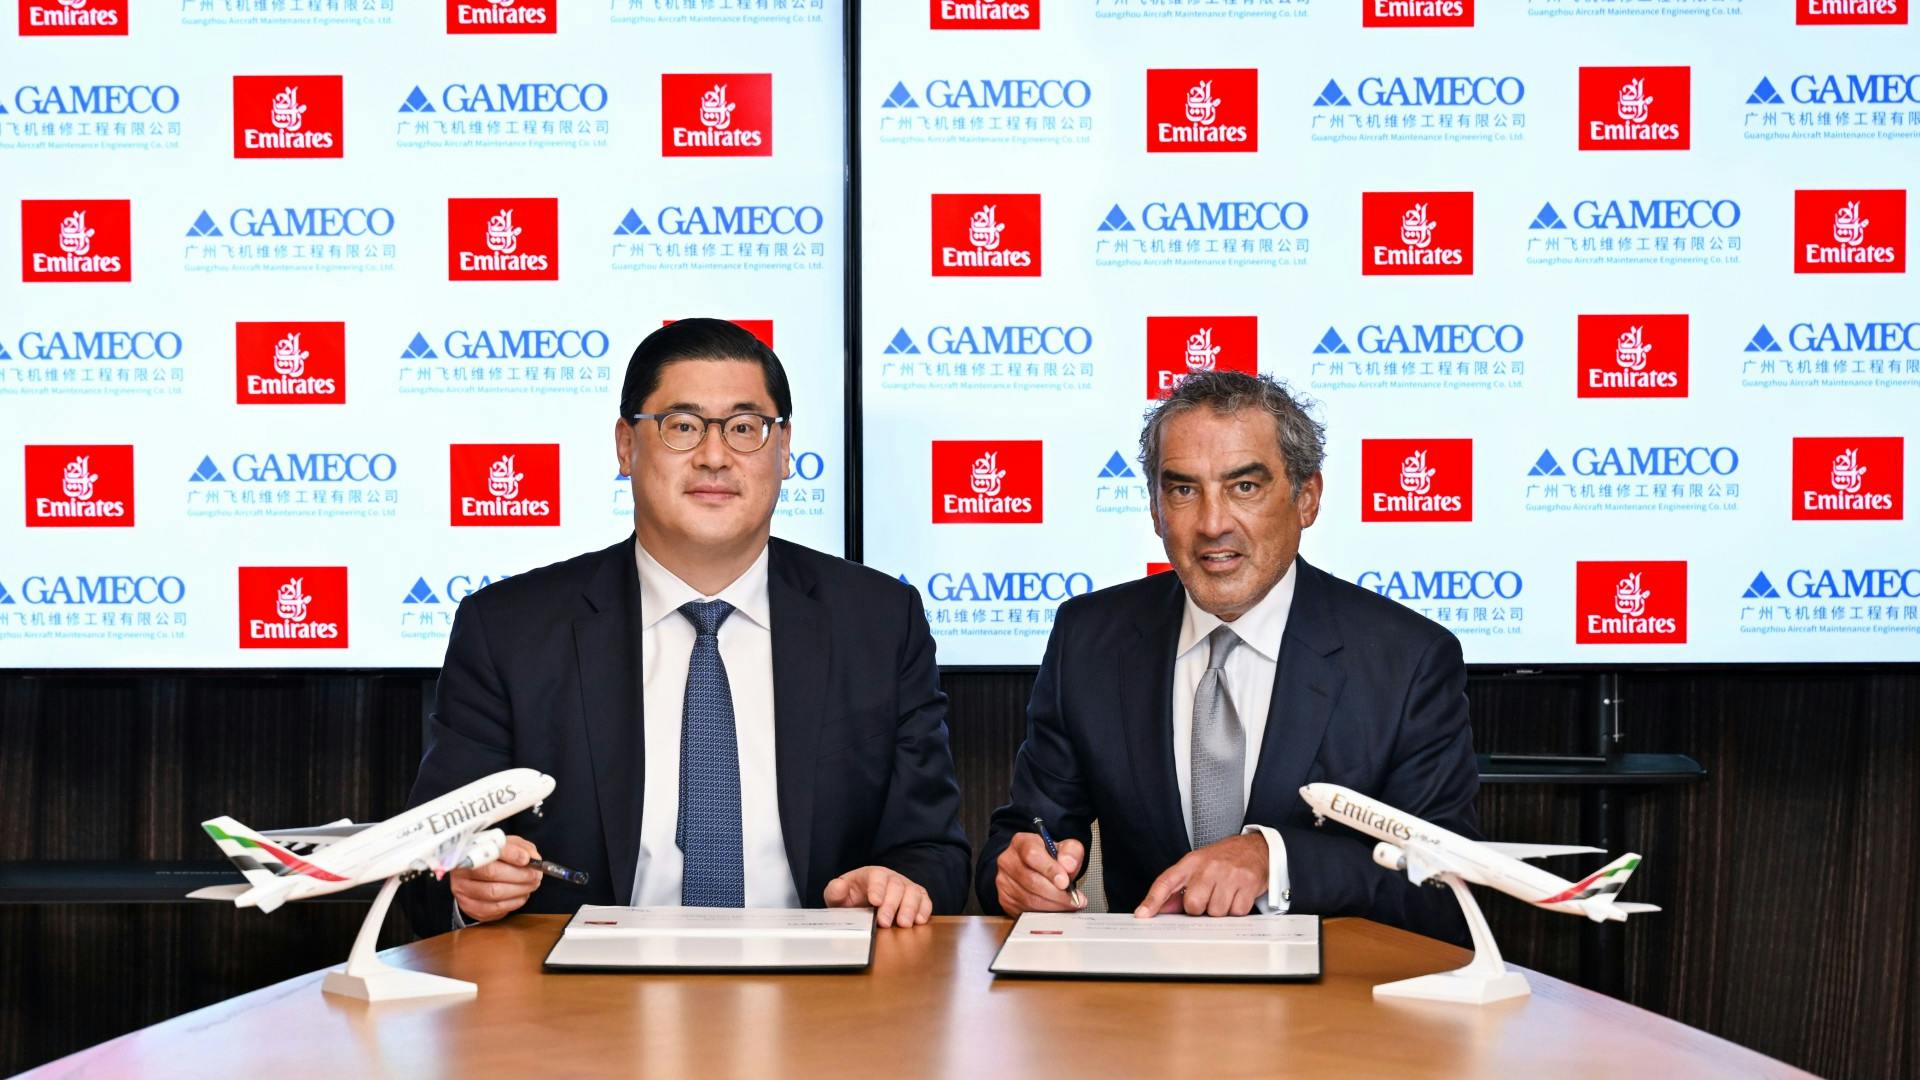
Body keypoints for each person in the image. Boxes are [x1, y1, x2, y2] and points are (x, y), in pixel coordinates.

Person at [403, 319, 969, 935]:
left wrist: (899, 887)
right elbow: (426, 863)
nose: (715, 456)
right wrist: (469, 884)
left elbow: (935, 852)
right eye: (682, 426)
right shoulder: (509, 631)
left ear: (784, 451)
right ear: (626, 446)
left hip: (820, 995)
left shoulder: (880, 623)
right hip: (583, 1002)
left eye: (746, 428)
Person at [976, 370, 1478, 941]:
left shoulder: (1406, 661)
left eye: (1244, 487)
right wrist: (1017, 874)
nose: (1213, 525)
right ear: (1156, 510)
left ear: (1306, 497)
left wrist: (1276, 860)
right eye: (1184, 490)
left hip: (1331, 1009)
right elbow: (1027, 831)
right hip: (1145, 1005)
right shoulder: (1090, 639)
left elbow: (1445, 889)